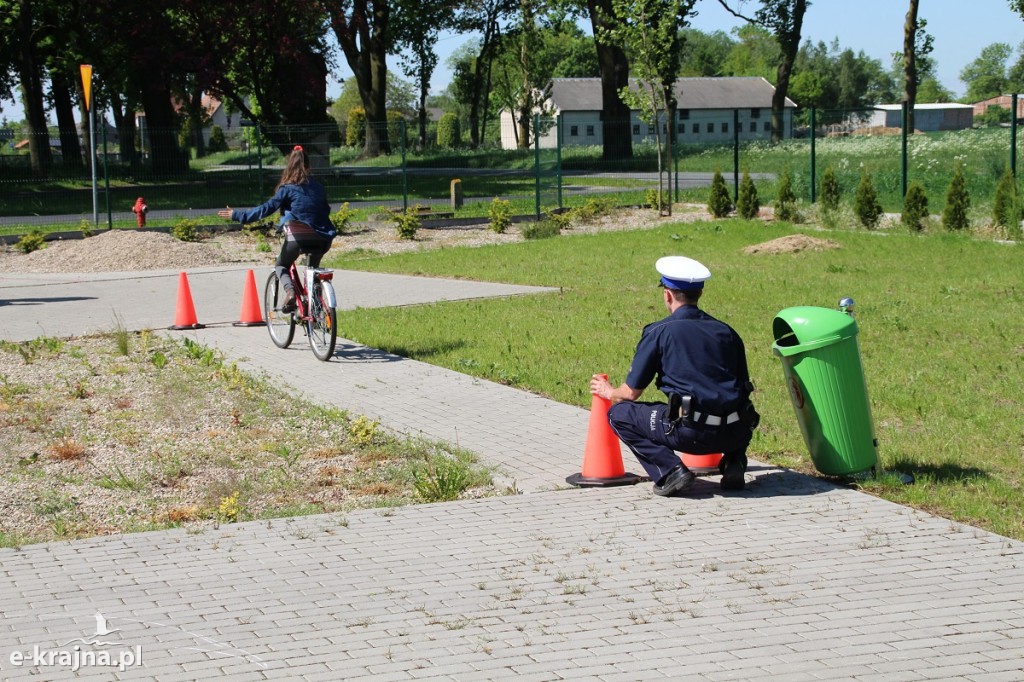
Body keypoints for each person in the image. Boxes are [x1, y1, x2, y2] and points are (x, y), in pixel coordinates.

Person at [589, 256, 758, 496]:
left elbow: (630, 393)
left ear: (667, 295)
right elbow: (743, 388)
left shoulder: (659, 332)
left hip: (690, 433)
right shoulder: (727, 332)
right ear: (699, 293)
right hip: (736, 432)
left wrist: (608, 391)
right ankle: (734, 462)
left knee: (619, 414)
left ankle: (671, 471)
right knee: (735, 405)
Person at [218, 145, 336, 312]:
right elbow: (325, 210)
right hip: (323, 237)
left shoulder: (287, 189)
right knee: (314, 270)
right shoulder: (318, 187)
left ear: (289, 166)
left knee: (281, 265)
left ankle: (290, 293)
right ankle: (317, 311)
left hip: (298, 236)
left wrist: (237, 215)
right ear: (308, 166)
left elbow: (266, 209)